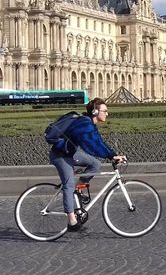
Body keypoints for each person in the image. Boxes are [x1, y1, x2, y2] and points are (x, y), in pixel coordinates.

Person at [49, 98, 126, 231]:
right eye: (105, 111)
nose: (107, 114)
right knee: (68, 185)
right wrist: (111, 156)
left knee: (95, 164)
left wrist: (112, 154)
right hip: (60, 155)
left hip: (70, 153)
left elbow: (99, 142)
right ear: (95, 111)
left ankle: (77, 189)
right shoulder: (84, 124)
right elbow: (92, 144)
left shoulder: (90, 123)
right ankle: (71, 221)